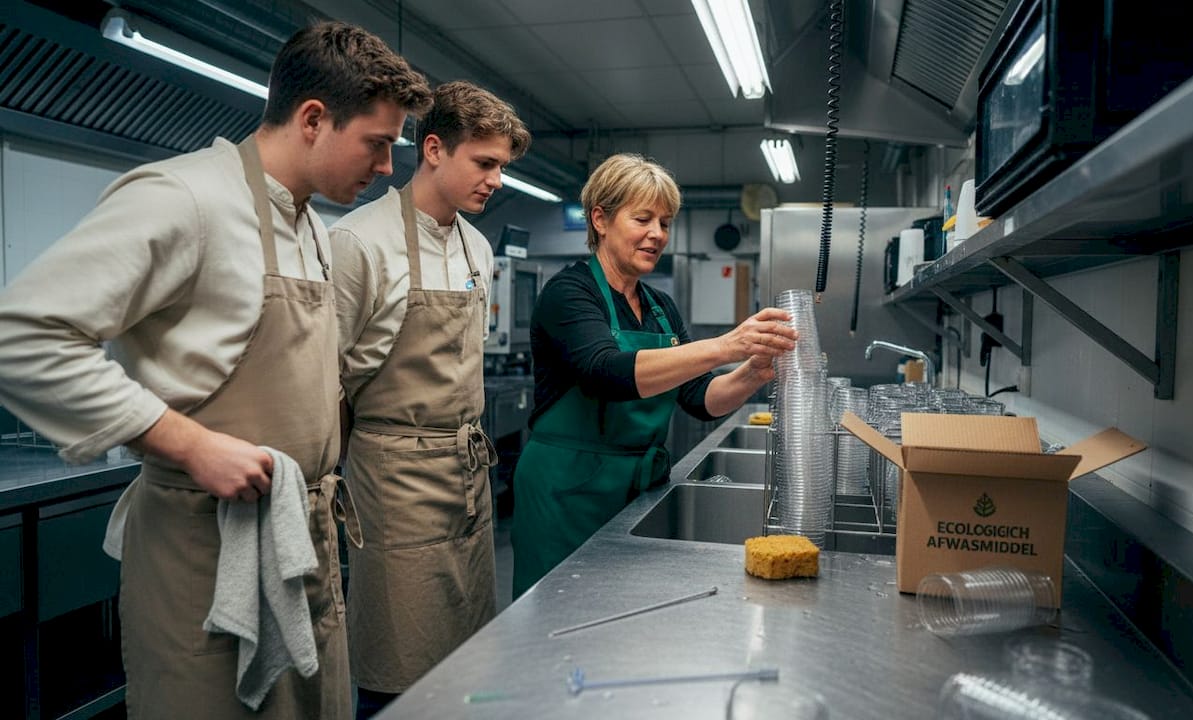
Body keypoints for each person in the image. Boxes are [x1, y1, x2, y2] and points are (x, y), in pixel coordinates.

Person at [0, 22, 431, 719]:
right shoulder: (184, 198)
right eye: (378, 143)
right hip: (204, 553)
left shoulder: (313, 226)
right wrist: (188, 442)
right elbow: (22, 334)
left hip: (302, 539)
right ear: (314, 119)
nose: (387, 168)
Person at [510, 153, 799, 598]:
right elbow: (605, 371)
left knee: (626, 615)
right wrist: (726, 345)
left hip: (638, 491)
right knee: (558, 616)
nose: (657, 234)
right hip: (565, 491)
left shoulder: (661, 307)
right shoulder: (568, 293)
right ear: (600, 219)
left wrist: (752, 373)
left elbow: (700, 399)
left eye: (665, 222)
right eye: (643, 218)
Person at [329, 80, 531, 716]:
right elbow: (324, 379)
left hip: (465, 470)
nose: (496, 181)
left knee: (466, 654)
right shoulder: (359, 243)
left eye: (502, 167)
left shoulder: (478, 246)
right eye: (486, 163)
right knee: (398, 663)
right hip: (393, 478)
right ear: (435, 149)